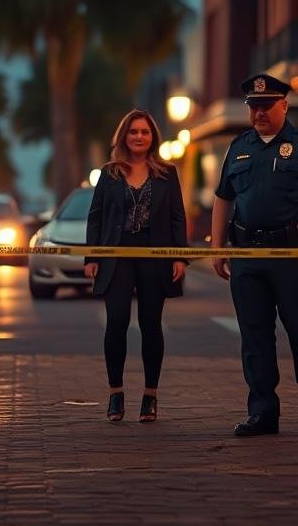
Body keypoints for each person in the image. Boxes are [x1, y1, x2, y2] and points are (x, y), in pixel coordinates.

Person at [210, 74, 298, 437]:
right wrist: (217, 246)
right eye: (253, 106)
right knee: (254, 337)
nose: (258, 113)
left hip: (293, 255)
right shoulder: (239, 147)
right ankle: (263, 413)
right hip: (247, 254)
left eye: (266, 105)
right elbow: (223, 196)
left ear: (284, 105)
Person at [84, 109, 188, 423]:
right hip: (116, 255)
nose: (139, 137)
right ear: (124, 137)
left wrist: (179, 256)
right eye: (133, 132)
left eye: (144, 132)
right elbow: (96, 216)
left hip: (154, 257)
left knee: (150, 324)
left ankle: (150, 396)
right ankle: (116, 394)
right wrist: (92, 257)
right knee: (115, 321)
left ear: (152, 136)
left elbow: (177, 217)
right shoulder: (110, 173)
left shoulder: (167, 172)